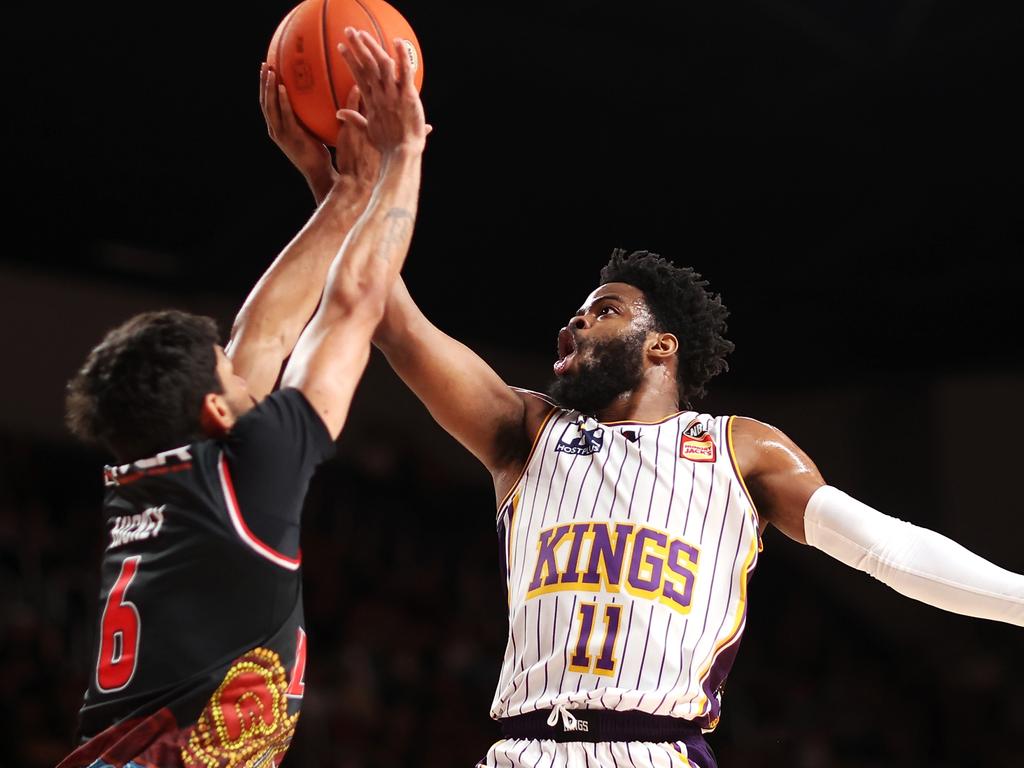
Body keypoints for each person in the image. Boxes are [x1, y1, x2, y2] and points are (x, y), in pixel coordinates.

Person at [269, 39, 1024, 768]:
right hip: (519, 750)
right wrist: (341, 192)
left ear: (662, 347)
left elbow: (886, 549)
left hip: (654, 748)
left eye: (601, 310)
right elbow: (393, 322)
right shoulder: (526, 431)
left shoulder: (741, 449)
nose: (572, 321)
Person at [58, 30, 427, 768]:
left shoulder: (155, 477)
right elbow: (353, 304)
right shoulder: (247, 474)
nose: (242, 360)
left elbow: (260, 336)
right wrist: (402, 156)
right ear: (218, 415)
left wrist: (345, 191)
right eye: (226, 372)